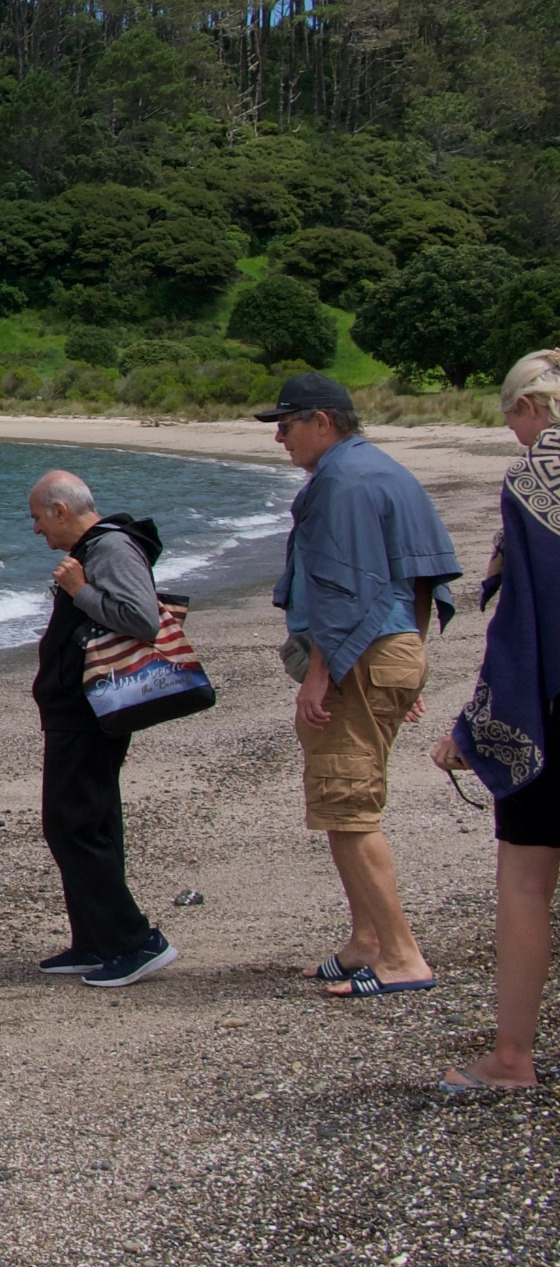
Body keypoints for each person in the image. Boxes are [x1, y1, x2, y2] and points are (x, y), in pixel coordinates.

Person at [260, 370, 460, 1000]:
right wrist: (410, 663)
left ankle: (402, 956)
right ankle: (365, 941)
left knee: (347, 806)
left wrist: (318, 676)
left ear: (323, 421)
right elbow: (423, 577)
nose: (279, 439)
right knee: (349, 797)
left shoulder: (341, 483)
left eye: (285, 425)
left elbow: (339, 592)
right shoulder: (384, 470)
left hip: (359, 656)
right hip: (392, 650)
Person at [429, 349, 560, 1090]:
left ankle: (513, 1059)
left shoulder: (538, 476)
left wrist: (478, 726)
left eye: (511, 415)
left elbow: (524, 625)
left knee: (526, 879)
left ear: (533, 408)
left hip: (553, 706)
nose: (514, 432)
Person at [26, 470, 181, 988]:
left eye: (38, 517)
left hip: (91, 710)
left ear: (61, 511)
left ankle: (134, 941)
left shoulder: (110, 549)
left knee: (76, 823)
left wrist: (79, 590)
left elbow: (141, 619)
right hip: (79, 709)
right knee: (84, 820)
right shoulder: (99, 549)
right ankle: (94, 939)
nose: (36, 530)